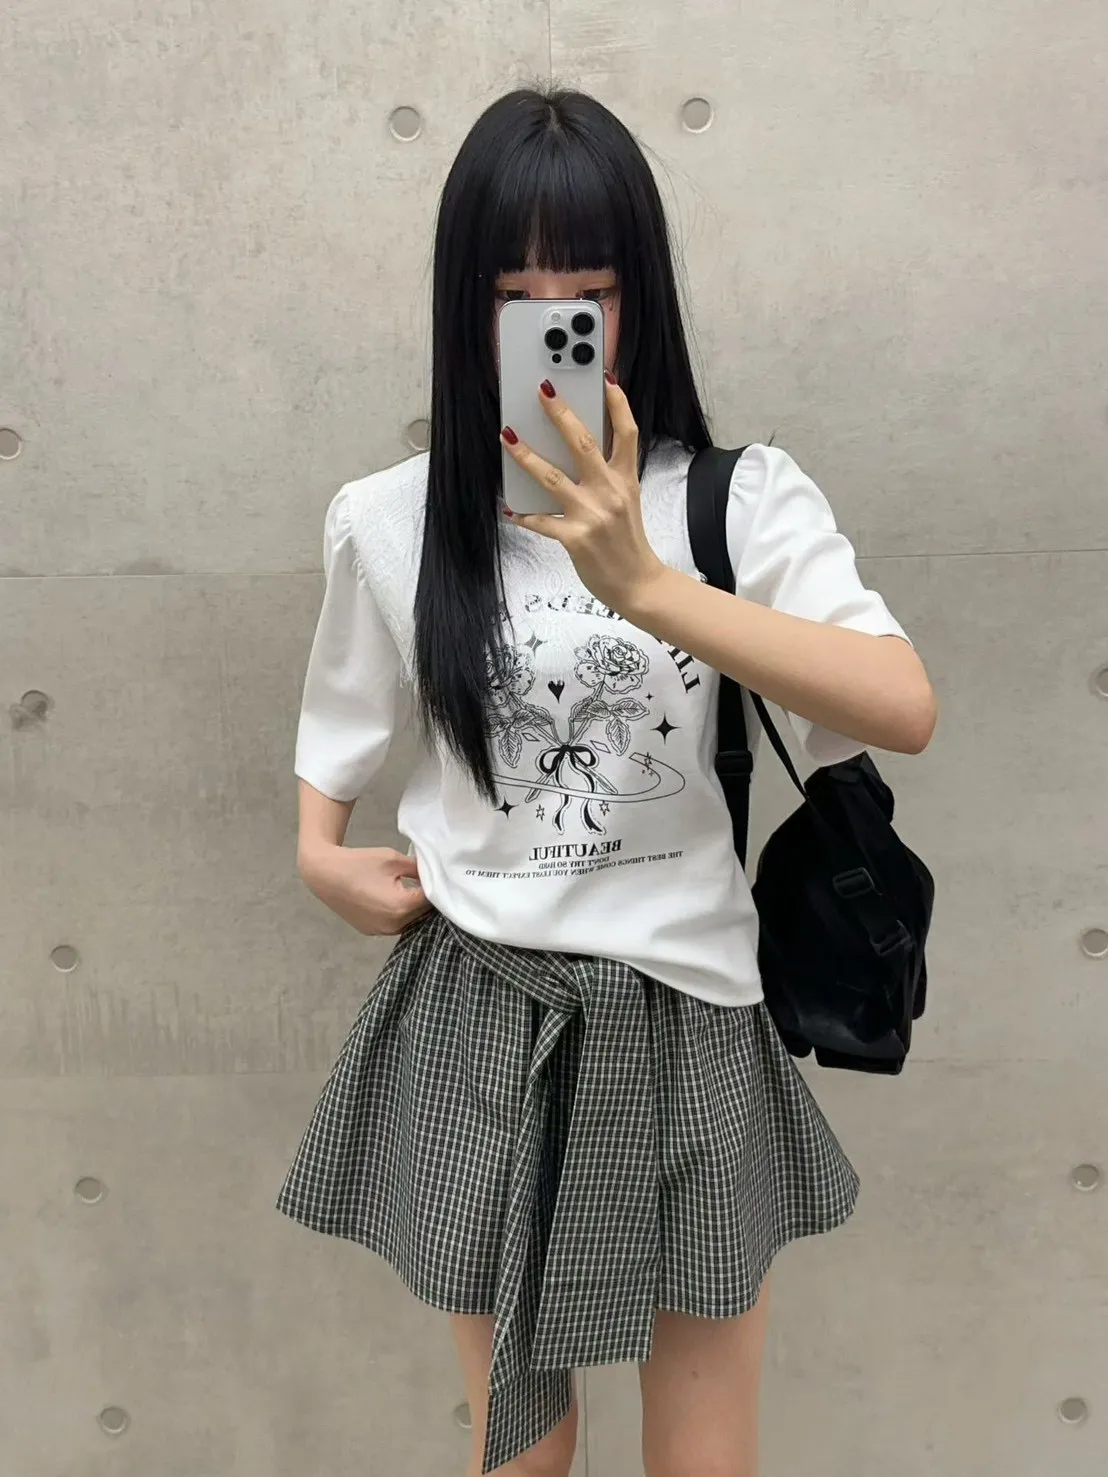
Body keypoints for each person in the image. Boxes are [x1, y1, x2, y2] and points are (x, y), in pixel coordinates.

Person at [276, 85, 937, 1477]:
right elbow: (340, 720)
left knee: (704, 1455)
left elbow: (901, 705)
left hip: (691, 1007)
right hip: (478, 1011)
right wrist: (319, 855)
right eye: (514, 297)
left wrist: (647, 584)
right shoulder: (390, 518)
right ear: (465, 307)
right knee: (525, 1449)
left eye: (589, 293)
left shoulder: (739, 502)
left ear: (641, 298)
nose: (554, 326)